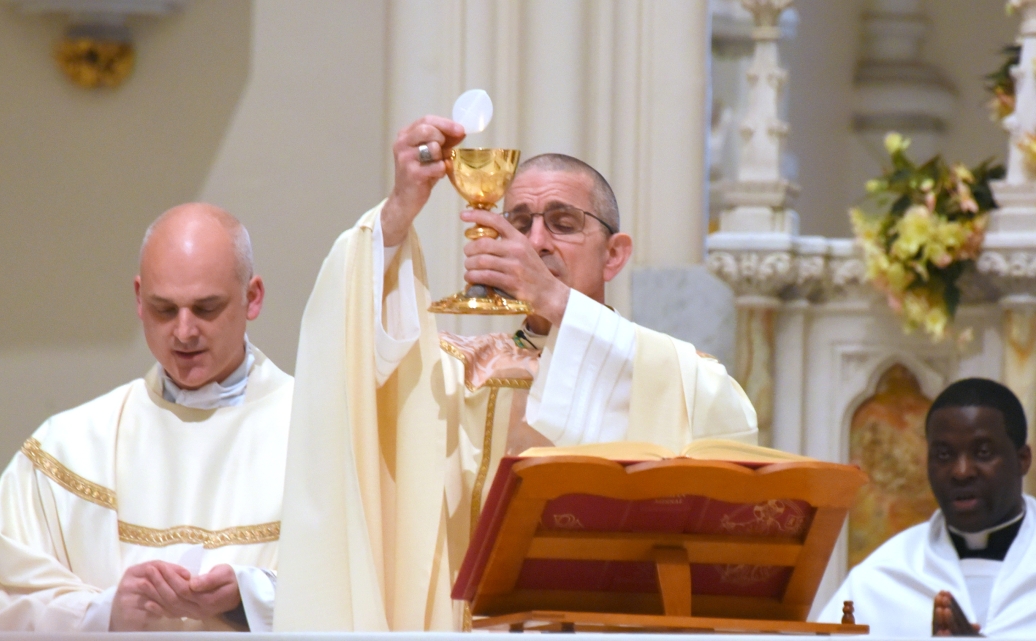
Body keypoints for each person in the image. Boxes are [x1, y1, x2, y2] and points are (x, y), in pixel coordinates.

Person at [274, 116, 758, 631]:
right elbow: (352, 363)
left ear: (614, 255)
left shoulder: (676, 374)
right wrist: (398, 211)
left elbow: (729, 424)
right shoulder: (460, 373)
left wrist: (556, 301)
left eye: (563, 224)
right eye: (519, 222)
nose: (536, 241)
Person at [0, 204, 293, 632]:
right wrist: (106, 614)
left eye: (206, 308)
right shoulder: (71, 446)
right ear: (139, 298)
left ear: (253, 297)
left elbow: (371, 588)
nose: (184, 331)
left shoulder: (315, 434)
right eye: (164, 309)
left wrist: (248, 597)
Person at [817, 378, 1036, 637]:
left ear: (1022, 460)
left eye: (983, 452)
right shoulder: (882, 578)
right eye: (944, 455)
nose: (961, 472)